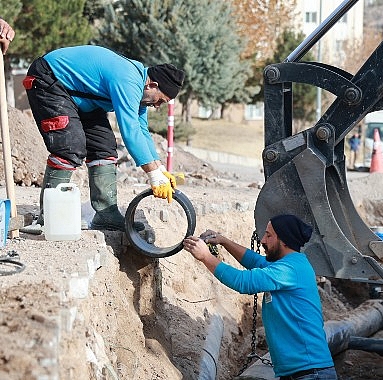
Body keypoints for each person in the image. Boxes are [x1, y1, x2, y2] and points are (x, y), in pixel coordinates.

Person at [23, 45, 185, 231]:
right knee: (69, 147)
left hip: (81, 96)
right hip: (49, 79)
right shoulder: (128, 80)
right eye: (160, 101)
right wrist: (152, 175)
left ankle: (106, 215)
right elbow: (130, 131)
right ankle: (48, 218)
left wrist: (160, 169)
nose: (157, 106)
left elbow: (142, 131)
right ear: (152, 85)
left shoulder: (141, 88)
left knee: (104, 146)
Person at [183, 214, 337, 380]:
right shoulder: (289, 263)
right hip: (304, 372)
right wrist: (224, 241)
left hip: (311, 374)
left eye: (269, 235)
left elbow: (243, 282)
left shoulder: (290, 269)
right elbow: (255, 261)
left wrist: (206, 256)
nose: (262, 240)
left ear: (284, 240)